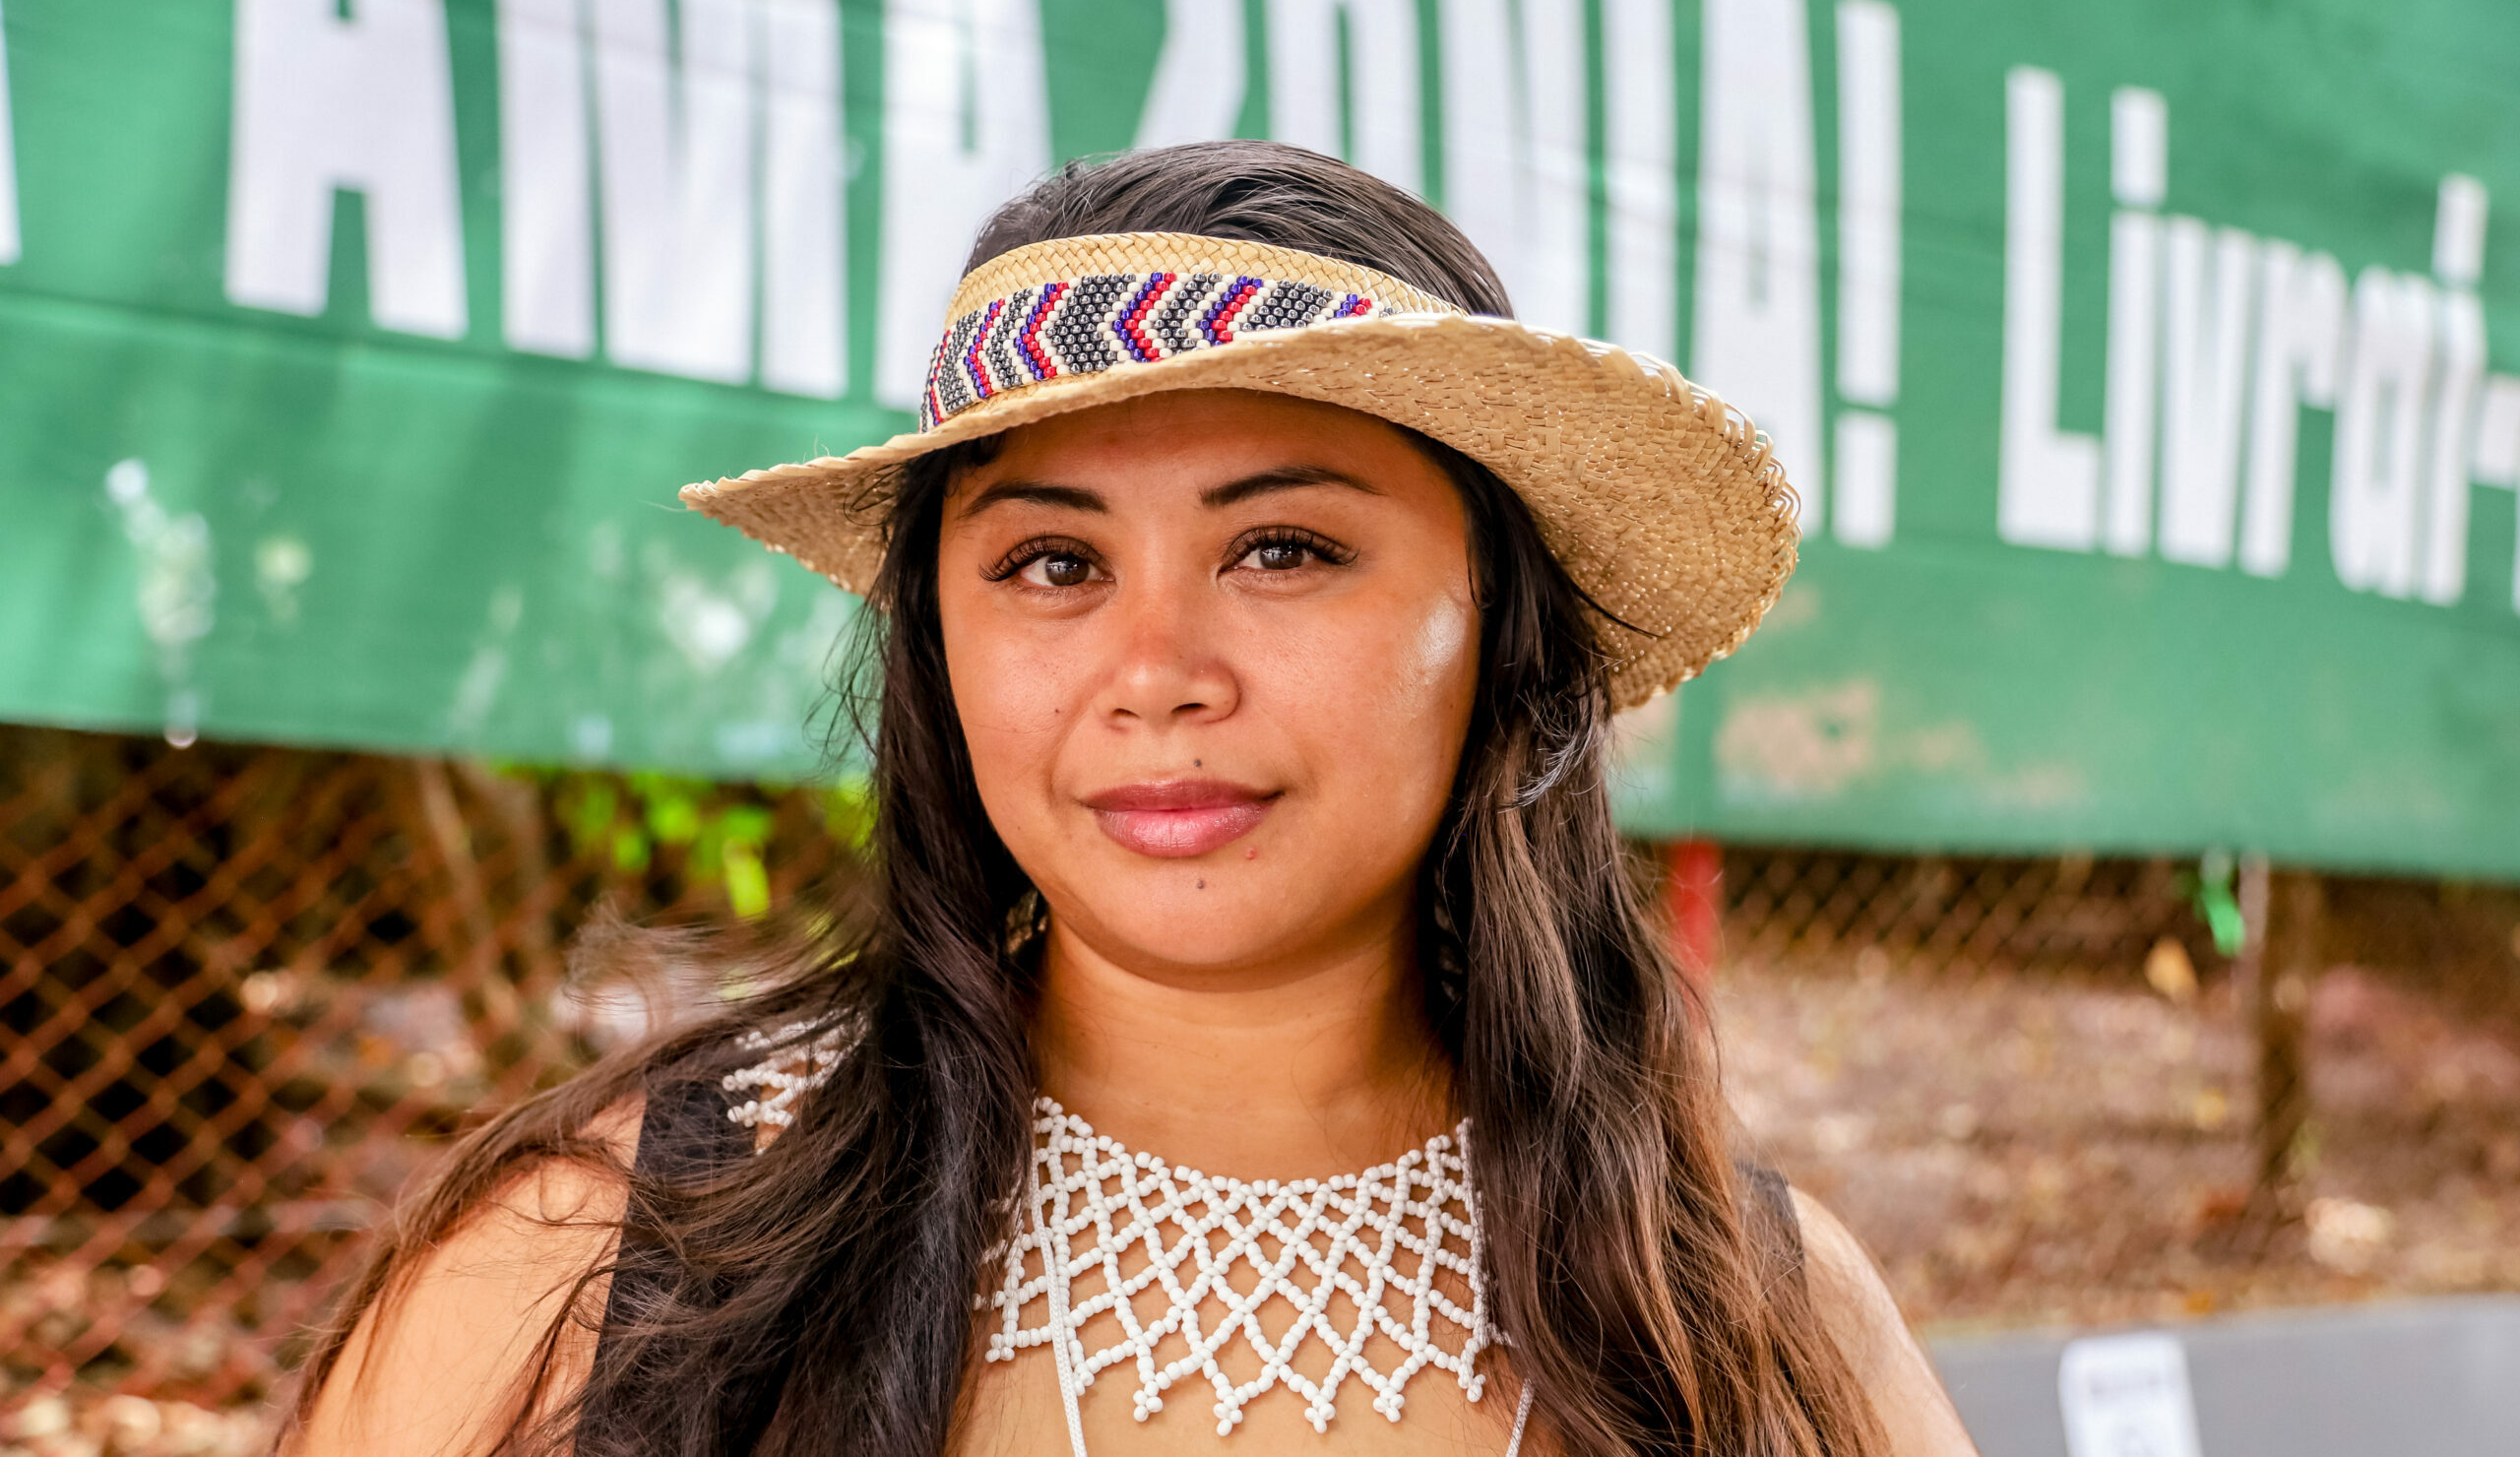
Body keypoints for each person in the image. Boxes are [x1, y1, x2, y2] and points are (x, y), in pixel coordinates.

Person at [283, 142, 1976, 1457]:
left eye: (1283, 547)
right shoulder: (620, 1247)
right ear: (938, 647)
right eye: (1051, 561)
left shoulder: (1756, 1322)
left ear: (1499, 626)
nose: (1155, 669)